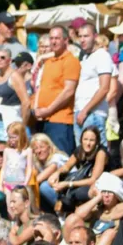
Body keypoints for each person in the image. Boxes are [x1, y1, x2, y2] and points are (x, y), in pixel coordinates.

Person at [34, 26, 80, 155]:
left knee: (60, 159)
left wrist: (48, 110)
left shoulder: (70, 61)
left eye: (57, 38)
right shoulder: (48, 61)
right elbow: (41, 87)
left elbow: (68, 91)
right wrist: (37, 108)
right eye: (51, 38)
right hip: (43, 119)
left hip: (60, 120)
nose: (53, 41)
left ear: (65, 40)